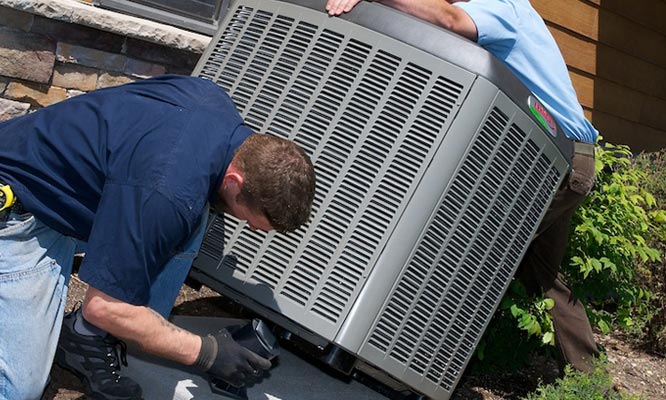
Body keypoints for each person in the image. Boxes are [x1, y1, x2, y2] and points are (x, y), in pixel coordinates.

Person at [0, 74, 316, 399]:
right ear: (236, 181)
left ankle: (86, 336)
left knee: (191, 213)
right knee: (16, 388)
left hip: (71, 187)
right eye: (249, 219)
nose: (247, 227)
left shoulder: (213, 104)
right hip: (21, 212)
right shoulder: (167, 190)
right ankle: (113, 326)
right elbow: (103, 307)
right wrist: (207, 352)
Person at [326, 0, 600, 372]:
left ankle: (413, 365)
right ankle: (591, 382)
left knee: (470, 257)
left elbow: (450, 20)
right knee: (543, 276)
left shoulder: (505, 7)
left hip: (553, 161)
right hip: (565, 159)